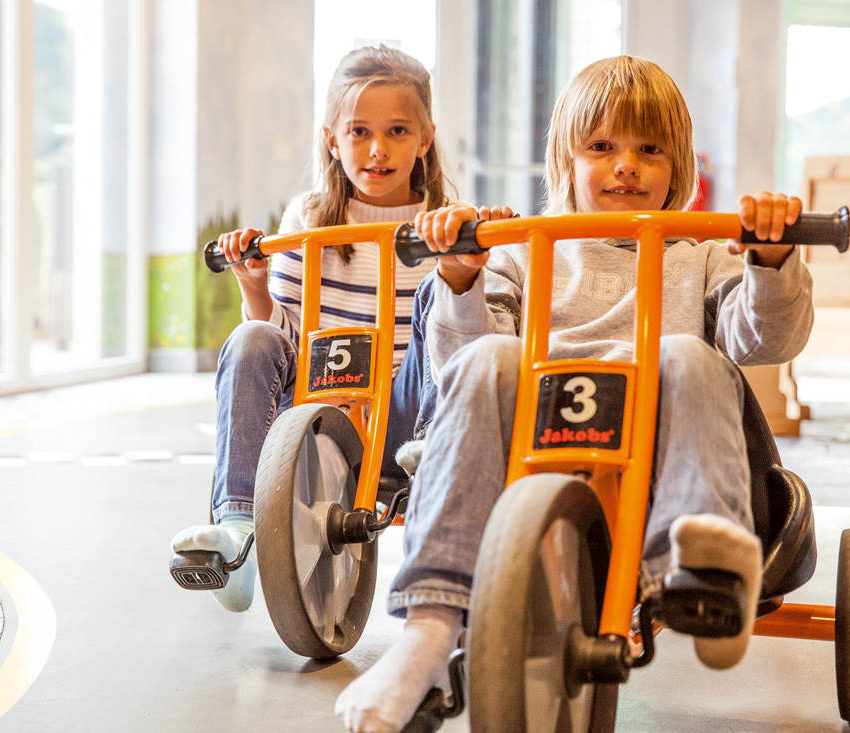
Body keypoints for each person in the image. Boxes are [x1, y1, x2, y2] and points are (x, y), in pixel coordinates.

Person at [334, 54, 815, 732]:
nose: (627, 165)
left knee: (688, 352)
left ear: (679, 167)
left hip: (663, 466)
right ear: (565, 158)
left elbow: (766, 339)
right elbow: (457, 368)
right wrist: (462, 278)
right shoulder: (521, 248)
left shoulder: (701, 250)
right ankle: (432, 625)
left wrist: (770, 260)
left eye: (650, 149)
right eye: (602, 147)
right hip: (529, 454)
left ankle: (708, 561)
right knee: (490, 355)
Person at [170, 44, 511, 614]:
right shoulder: (310, 218)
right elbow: (281, 336)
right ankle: (237, 528)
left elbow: (465, 339)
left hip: (402, 428)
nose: (377, 150)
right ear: (332, 139)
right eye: (359, 132)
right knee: (250, 338)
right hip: (318, 411)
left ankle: (432, 450)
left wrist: (468, 255)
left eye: (398, 131)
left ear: (425, 138)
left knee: (439, 294)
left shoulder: (451, 222)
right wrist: (253, 285)